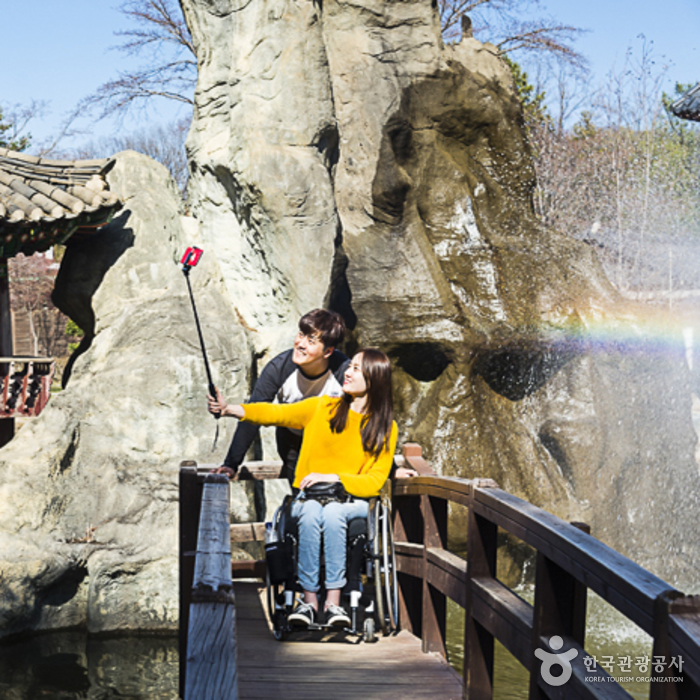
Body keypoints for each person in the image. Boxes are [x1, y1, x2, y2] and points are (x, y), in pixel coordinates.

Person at [207, 348, 398, 627]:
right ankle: (309, 602)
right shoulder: (323, 407)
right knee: (309, 513)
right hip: (310, 497)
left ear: (375, 379)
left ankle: (333, 604)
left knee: (333, 514)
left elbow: (375, 480)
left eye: (356, 368)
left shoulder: (385, 428)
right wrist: (230, 410)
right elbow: (276, 413)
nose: (347, 371)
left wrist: (335, 477)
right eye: (350, 366)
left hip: (349, 499)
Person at [217, 309, 349, 484]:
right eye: (301, 335)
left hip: (332, 441)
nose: (300, 344)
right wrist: (231, 464)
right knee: (301, 493)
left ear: (327, 352)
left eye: (311, 341)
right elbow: (253, 415)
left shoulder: (345, 371)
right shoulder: (278, 369)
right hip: (292, 440)